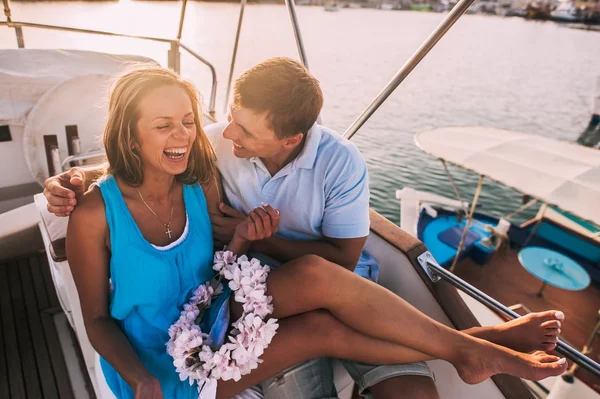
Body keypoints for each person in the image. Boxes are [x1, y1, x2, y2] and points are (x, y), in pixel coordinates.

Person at [50, 60, 564, 399]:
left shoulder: (198, 175)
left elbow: (222, 245)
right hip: (167, 366)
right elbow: (96, 318)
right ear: (128, 133)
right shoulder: (95, 214)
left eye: (188, 120)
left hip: (218, 306)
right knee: (320, 330)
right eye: (164, 125)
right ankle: (476, 341)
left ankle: (473, 347)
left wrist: (251, 236)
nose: (188, 134)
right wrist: (139, 378)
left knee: (317, 273)